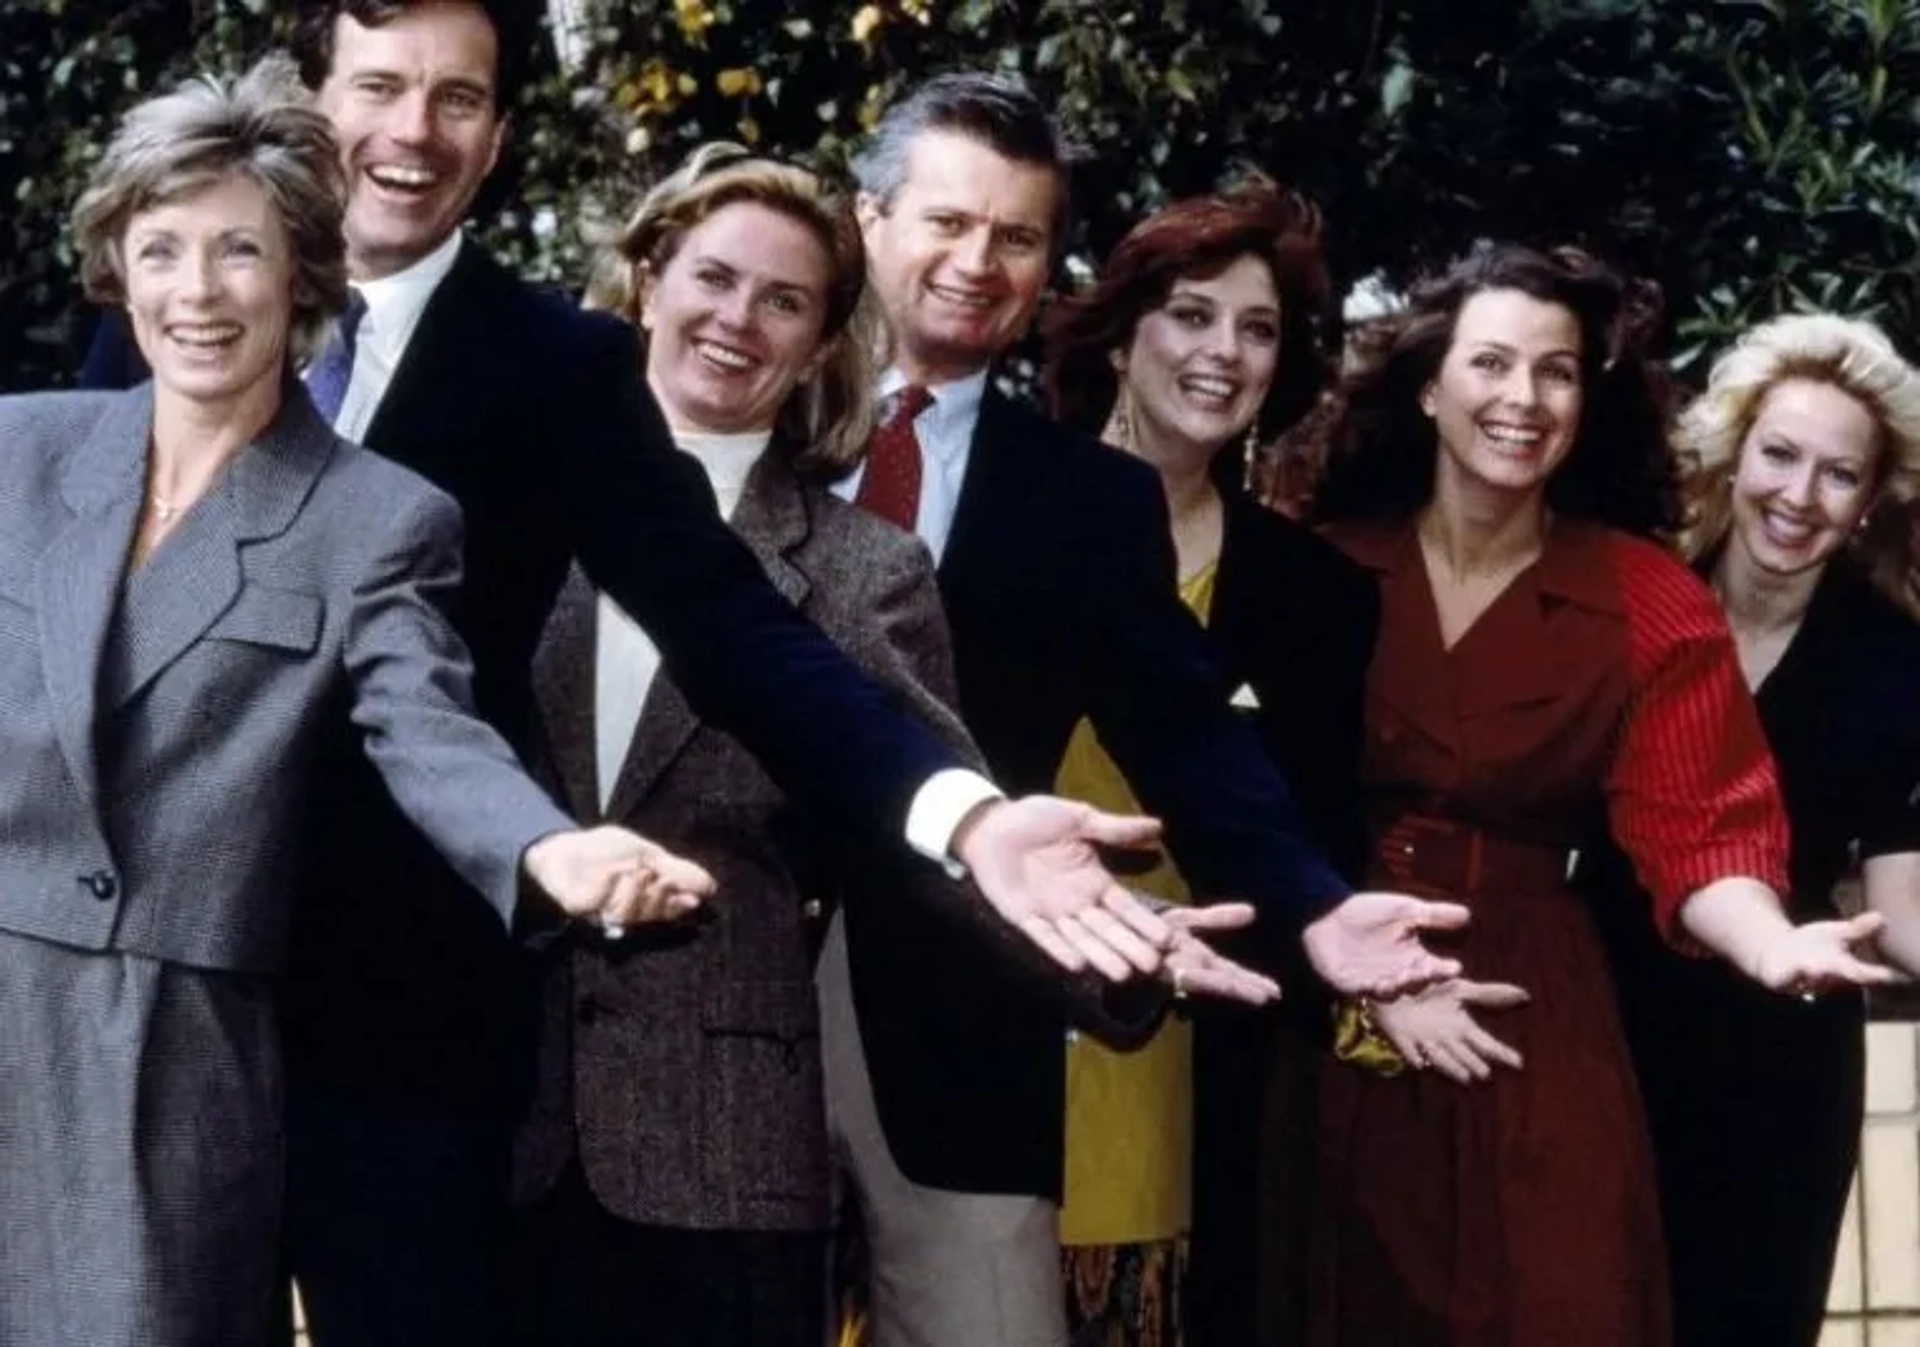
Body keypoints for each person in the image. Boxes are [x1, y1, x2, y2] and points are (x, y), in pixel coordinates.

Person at [79, 6, 1439, 1340]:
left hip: (411, 1047)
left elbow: (742, 631)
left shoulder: (558, 370)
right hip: (137, 998)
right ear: (315, 90)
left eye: (460, 100)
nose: (413, 133)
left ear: (500, 137)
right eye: (380, 86)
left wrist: (964, 814)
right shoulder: (174, 302)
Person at [502, 142, 1279, 1347]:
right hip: (492, 1107)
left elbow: (926, 806)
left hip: (717, 1143)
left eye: (785, 302)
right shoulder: (495, 507)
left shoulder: (862, 567)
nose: (736, 321)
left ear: (823, 343)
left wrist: (1104, 951)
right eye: (712, 279)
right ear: (647, 281)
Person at [0, 58, 712, 1346]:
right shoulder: (18, 451)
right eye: (160, 249)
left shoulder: (375, 518)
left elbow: (431, 734)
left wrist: (549, 848)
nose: (196, 294)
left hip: (168, 1066)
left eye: (238, 252)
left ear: (304, 277)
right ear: (118, 265)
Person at [833, 72, 1464, 1344]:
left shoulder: (1083, 501)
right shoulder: (740, 413)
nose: (978, 262)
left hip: (961, 1022)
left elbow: (1188, 729)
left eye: (1016, 238)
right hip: (701, 990)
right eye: (947, 223)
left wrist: (1316, 908)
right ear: (868, 222)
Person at [1303, 242, 1899, 1347]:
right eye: (1491, 363)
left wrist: (1771, 943)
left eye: (1558, 372)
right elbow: (1254, 798)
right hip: (1335, 1000)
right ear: (1430, 385)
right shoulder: (1319, 569)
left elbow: (1699, 822)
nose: (1522, 399)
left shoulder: (1646, 598)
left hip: (1542, 1022)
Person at [1039, 178, 1377, 1346]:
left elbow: (1315, 834)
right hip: (970, 1028)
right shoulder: (995, 516)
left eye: (1259, 328)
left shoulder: (1315, 598)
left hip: (1194, 1056)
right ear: (1123, 329)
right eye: (1191, 315)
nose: (1223, 353)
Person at [1584, 313, 1920, 1347]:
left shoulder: (1894, 664)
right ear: (1734, 451)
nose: (1798, 496)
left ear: (1869, 502)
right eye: (1779, 454)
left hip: (1780, 1063)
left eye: (1837, 475)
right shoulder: (1624, 595)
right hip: (1599, 1027)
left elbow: (1905, 908)